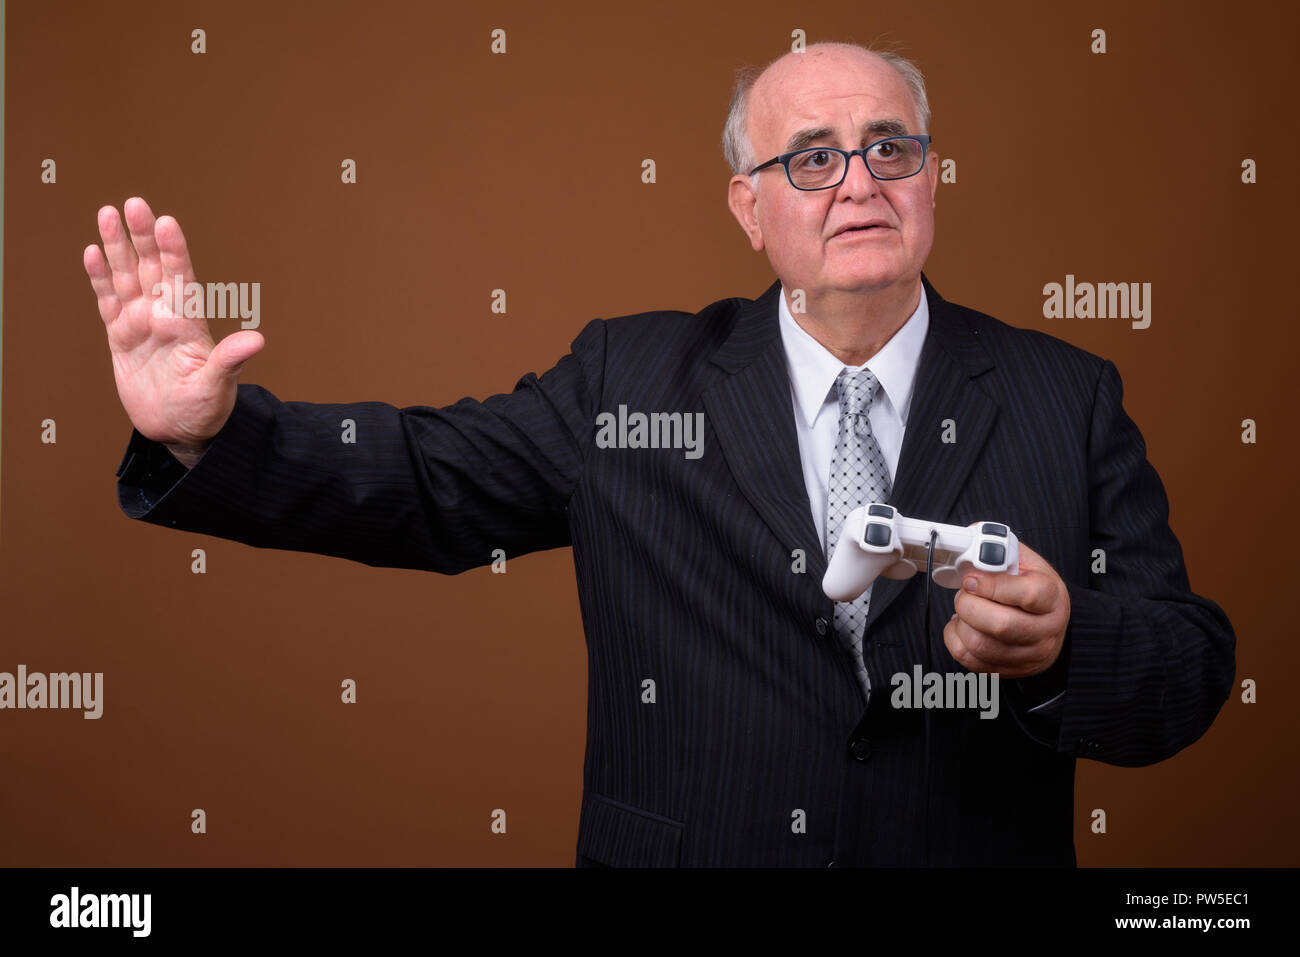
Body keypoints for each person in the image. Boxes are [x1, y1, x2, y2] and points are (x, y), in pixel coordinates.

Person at [85, 42, 1235, 866]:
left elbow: (1186, 670)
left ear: (930, 178)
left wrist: (1065, 646)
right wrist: (212, 431)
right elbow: (428, 482)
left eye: (890, 148)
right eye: (813, 159)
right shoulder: (627, 380)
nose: (859, 182)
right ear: (748, 207)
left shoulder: (1064, 393)